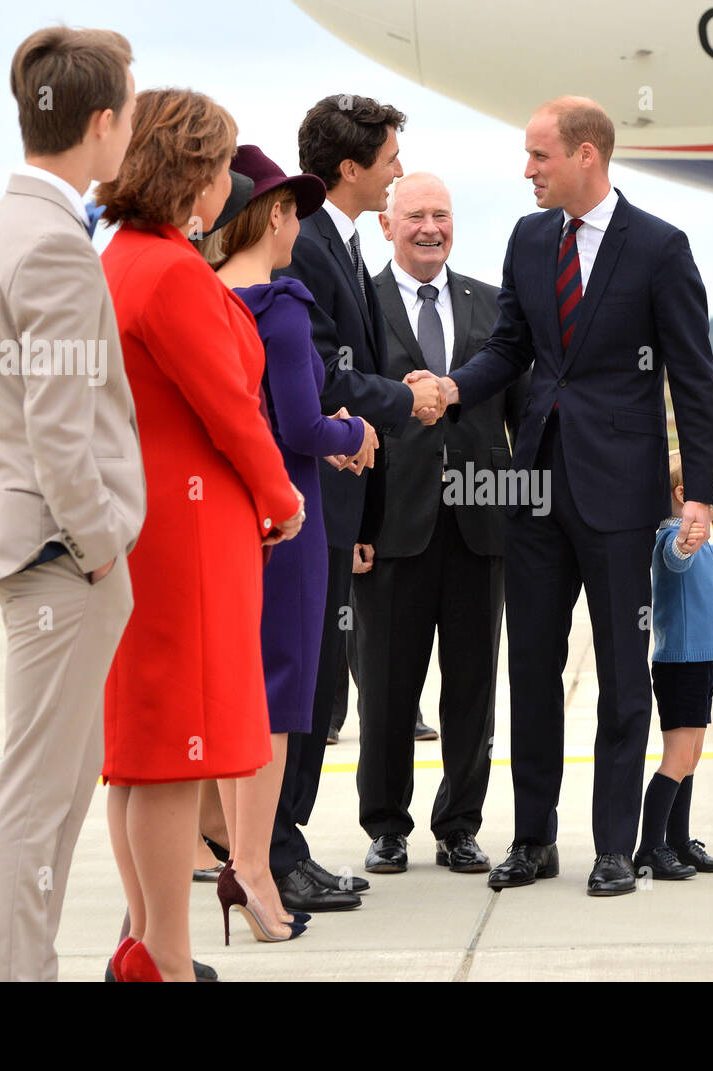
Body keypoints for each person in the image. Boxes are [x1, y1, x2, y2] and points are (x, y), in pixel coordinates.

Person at [428, 97, 713, 896]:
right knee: (531, 667)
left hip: (621, 493)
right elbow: (509, 349)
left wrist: (699, 492)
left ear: (587, 155)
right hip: (535, 487)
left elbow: (694, 377)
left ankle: (615, 846)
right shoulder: (529, 239)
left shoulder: (660, 248)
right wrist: (452, 388)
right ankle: (532, 839)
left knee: (625, 676)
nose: (527, 170)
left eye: (539, 156)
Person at [97, 89, 304, 980]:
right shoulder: (175, 272)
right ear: (192, 172)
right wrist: (279, 497)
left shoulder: (121, 257)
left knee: (141, 754)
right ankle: (168, 961)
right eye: (220, 165)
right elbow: (230, 409)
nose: (228, 183)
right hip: (186, 536)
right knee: (175, 752)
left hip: (145, 525)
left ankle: (145, 939)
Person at [0, 26, 143, 983]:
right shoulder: (54, 246)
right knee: (39, 800)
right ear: (102, 122)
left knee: (58, 792)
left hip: (39, 547)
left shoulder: (12, 223)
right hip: (60, 556)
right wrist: (104, 541)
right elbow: (62, 426)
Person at [268, 94, 445, 912]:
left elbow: (343, 366)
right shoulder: (305, 247)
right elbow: (320, 376)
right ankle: (276, 849)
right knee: (303, 685)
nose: (398, 171)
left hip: (340, 502)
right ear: (349, 167)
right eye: (388, 158)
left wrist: (381, 394)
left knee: (318, 684)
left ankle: (284, 843)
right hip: (314, 496)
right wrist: (401, 396)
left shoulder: (330, 241)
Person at [208, 144, 374, 940]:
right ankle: (257, 868)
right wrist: (356, 428)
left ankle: (230, 856)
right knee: (277, 704)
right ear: (274, 215)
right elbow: (303, 423)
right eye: (294, 212)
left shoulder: (206, 295)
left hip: (227, 520)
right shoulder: (280, 303)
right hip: (291, 517)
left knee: (237, 695)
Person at [355, 172, 528, 875]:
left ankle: (459, 823)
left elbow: (519, 413)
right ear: (386, 226)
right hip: (391, 525)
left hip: (479, 524)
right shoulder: (360, 306)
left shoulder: (492, 303)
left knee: (472, 688)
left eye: (442, 215)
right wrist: (357, 525)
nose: (431, 227)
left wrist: (527, 507)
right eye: (416, 216)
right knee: (388, 685)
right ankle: (387, 825)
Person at [635, 454, 713, 880]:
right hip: (680, 662)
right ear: (684, 496)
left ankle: (679, 841)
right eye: (709, 489)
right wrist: (688, 540)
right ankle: (650, 847)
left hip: (702, 659)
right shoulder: (673, 538)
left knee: (692, 757)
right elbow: (675, 559)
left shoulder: (703, 541)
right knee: (677, 756)